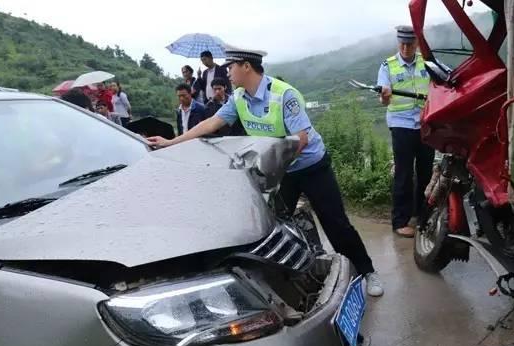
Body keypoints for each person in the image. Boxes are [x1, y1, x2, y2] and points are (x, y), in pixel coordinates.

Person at [148, 48, 384, 297]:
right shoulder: (239, 97)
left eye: (231, 66)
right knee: (274, 226)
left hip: (311, 167)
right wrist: (171, 142)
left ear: (246, 66)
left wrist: (272, 168)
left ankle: (367, 272)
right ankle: (301, 277)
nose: (227, 72)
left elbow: (301, 139)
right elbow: (211, 123)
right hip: (282, 171)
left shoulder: (284, 94)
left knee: (336, 225)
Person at [377, 26, 433, 238]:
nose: (406, 48)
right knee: (404, 173)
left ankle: (422, 214)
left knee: (426, 172)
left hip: (425, 123)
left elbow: (441, 82)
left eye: (410, 44)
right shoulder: (387, 66)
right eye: (403, 44)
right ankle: (400, 221)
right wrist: (384, 95)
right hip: (401, 126)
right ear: (398, 43)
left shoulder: (426, 62)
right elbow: (383, 100)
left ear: (417, 43)